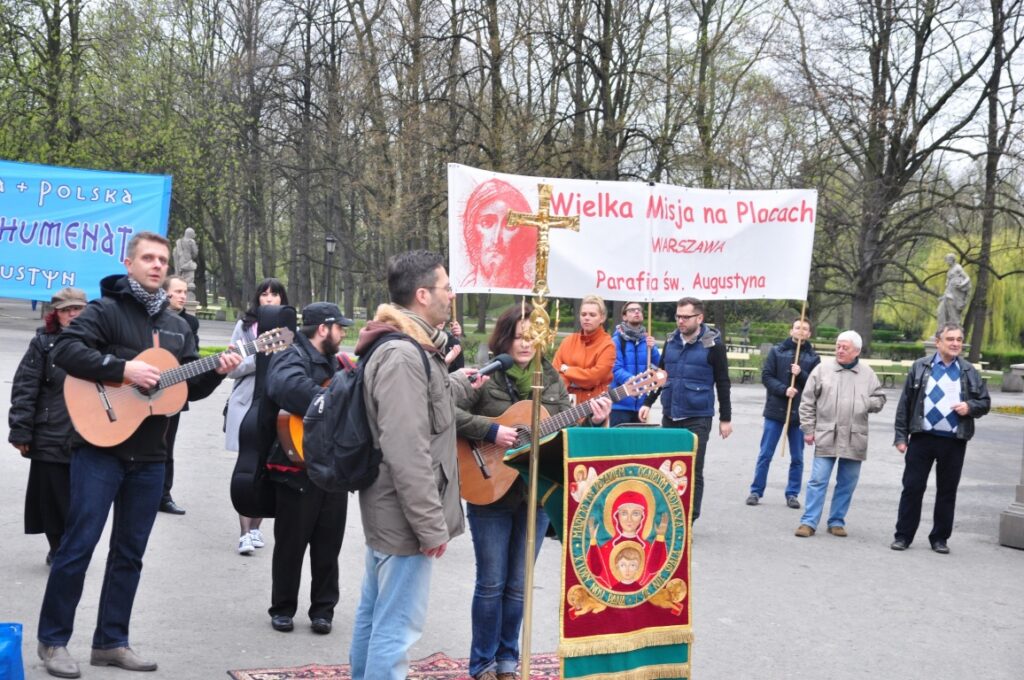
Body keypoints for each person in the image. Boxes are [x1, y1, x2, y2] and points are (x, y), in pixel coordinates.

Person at [36, 231, 240, 678]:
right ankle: (53, 640)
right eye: (148, 258)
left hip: (150, 456)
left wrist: (218, 372)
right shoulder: (104, 311)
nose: (157, 265)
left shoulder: (177, 326)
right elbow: (66, 351)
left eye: (162, 260)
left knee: (130, 552)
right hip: (99, 448)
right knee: (78, 546)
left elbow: (184, 389)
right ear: (129, 264)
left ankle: (111, 642)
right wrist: (123, 369)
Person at [452, 303, 610, 680]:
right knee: (491, 583)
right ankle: (483, 662)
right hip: (488, 488)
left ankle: (508, 659)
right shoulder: (486, 375)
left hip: (535, 496)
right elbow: (446, 412)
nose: (525, 344)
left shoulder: (550, 379)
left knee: (519, 585)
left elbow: (565, 435)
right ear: (504, 338)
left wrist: (594, 420)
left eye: (532, 337)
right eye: (518, 337)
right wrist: (491, 431)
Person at [349, 250, 471, 680]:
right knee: (396, 627)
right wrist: (430, 526)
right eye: (446, 287)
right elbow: (407, 449)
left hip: (394, 510)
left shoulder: (414, 347)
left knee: (377, 614)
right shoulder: (403, 354)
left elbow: (424, 407)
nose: (452, 295)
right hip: (404, 516)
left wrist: (458, 383)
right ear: (422, 294)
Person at [264, 302, 353, 634]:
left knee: (329, 544)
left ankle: (323, 610)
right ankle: (283, 607)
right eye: (339, 328)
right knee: (291, 542)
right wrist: (334, 402)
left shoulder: (338, 362)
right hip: (296, 464)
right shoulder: (290, 356)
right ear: (323, 329)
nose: (343, 334)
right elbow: (286, 388)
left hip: (333, 465)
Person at [891, 323, 990, 554]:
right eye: (950, 339)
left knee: (947, 491)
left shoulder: (968, 371)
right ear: (938, 342)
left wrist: (970, 407)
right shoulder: (920, 367)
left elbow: (985, 402)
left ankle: (940, 538)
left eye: (959, 340)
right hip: (922, 438)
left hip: (954, 441)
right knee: (912, 488)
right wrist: (900, 436)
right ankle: (903, 536)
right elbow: (905, 404)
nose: (955, 344)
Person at [8, 287, 86, 566]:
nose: (73, 314)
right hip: (49, 432)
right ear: (56, 314)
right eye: (66, 310)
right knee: (52, 500)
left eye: (78, 309)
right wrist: (20, 430)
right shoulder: (43, 344)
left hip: (89, 433)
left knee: (81, 500)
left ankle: (73, 548)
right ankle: (58, 549)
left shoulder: (98, 342)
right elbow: (25, 387)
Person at [640, 297, 732, 522]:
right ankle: (668, 517)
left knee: (692, 470)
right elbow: (661, 375)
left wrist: (726, 418)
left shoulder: (713, 345)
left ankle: (689, 520)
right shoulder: (671, 341)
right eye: (678, 316)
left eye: (686, 317)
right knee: (667, 469)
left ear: (699, 318)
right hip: (671, 414)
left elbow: (723, 382)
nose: (680, 321)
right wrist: (648, 402)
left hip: (698, 417)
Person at [794, 330, 885, 538]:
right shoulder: (822, 370)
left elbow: (880, 399)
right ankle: (808, 522)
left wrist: (866, 403)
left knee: (847, 482)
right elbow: (807, 401)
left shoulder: (868, 374)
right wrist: (808, 429)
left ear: (857, 351)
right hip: (827, 433)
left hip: (855, 436)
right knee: (818, 480)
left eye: (845, 347)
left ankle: (836, 521)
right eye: (838, 346)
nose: (840, 350)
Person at [226, 278, 289, 555]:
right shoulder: (244, 326)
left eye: (275, 294)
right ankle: (244, 533)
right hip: (246, 402)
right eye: (264, 294)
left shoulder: (287, 329)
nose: (269, 299)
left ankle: (255, 529)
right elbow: (232, 368)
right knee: (246, 466)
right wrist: (258, 358)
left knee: (267, 466)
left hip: (275, 403)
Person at [746, 318, 820, 508]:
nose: (801, 331)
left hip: (799, 413)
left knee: (797, 457)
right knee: (765, 454)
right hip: (775, 410)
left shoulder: (813, 358)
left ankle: (792, 493)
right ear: (791, 331)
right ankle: (756, 491)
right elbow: (766, 376)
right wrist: (784, 389)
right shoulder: (777, 351)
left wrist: (801, 373)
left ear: (809, 334)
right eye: (797, 327)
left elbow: (816, 385)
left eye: (805, 329)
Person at [157, 275, 200, 516]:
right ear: (165, 293)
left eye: (185, 292)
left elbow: (192, 358)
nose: (183, 296)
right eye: (179, 291)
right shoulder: (151, 318)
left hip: (173, 394)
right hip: (142, 392)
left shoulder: (189, 323)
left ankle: (164, 495)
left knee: (167, 445)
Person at [459, 178, 535, 289]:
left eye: (510, 225)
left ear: (521, 236)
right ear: (472, 231)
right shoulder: (460, 289)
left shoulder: (529, 292)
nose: (496, 239)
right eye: (486, 223)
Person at [553, 295, 615, 405]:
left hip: (595, 405)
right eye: (583, 314)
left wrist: (567, 370)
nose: (587, 318)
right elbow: (554, 373)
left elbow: (593, 378)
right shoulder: (568, 341)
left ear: (602, 318)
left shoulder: (608, 345)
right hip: (565, 402)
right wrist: (572, 381)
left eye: (592, 315)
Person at [610, 301, 660, 426]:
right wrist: (637, 383)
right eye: (632, 310)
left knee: (639, 438)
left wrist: (653, 349)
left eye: (639, 310)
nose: (636, 312)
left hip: (642, 405)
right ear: (624, 316)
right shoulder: (616, 341)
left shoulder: (647, 340)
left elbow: (659, 365)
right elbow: (616, 369)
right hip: (620, 405)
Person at [936, 254, 971, 331]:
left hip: (954, 294)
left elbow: (967, 278)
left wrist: (961, 284)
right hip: (948, 292)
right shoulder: (950, 269)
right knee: (939, 311)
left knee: (952, 312)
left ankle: (955, 328)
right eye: (946, 260)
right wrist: (944, 295)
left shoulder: (958, 267)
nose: (947, 262)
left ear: (952, 260)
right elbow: (948, 283)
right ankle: (941, 329)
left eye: (948, 260)